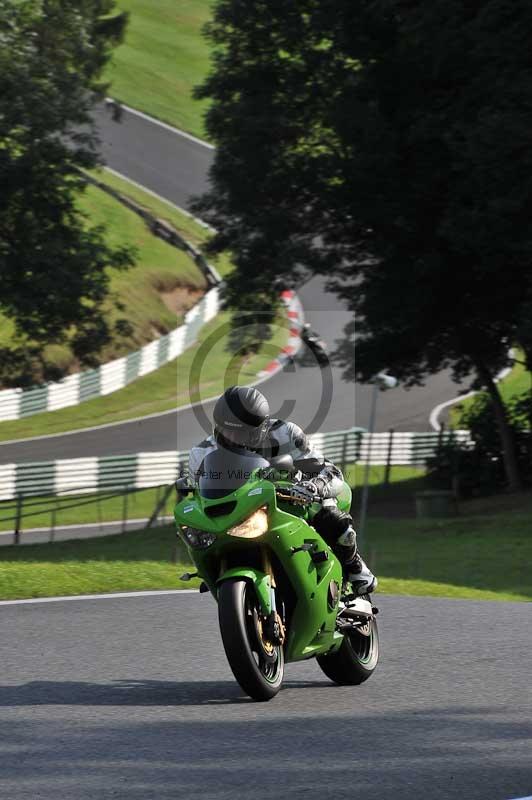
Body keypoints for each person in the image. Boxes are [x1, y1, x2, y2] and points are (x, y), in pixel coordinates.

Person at [188, 385, 377, 596]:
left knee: (329, 513)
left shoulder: (285, 433)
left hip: (292, 498)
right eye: (227, 430)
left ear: (260, 427)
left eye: (242, 433)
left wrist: (315, 486)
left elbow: (330, 470)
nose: (233, 438)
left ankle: (354, 565)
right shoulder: (202, 452)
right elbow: (199, 495)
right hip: (240, 508)